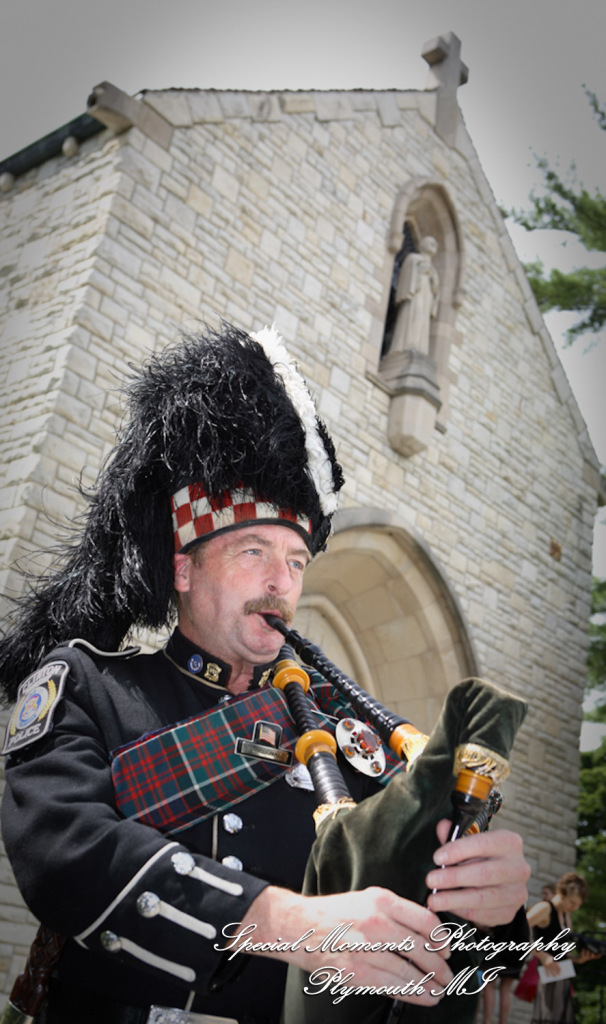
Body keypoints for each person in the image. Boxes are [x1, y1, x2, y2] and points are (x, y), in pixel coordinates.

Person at [0, 324, 529, 1024]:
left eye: (297, 561)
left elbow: (442, 929)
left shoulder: (356, 743)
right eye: (253, 551)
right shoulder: (88, 688)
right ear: (184, 568)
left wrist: (497, 909)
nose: (281, 581)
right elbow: (67, 857)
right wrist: (293, 925)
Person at [527, 872, 597, 1023]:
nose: (575, 908)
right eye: (572, 903)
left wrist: (578, 959)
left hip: (562, 977)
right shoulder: (544, 908)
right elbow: (518, 932)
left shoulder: (565, 915)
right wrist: (542, 955)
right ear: (560, 892)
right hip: (548, 977)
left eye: (578, 905)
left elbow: (561, 951)